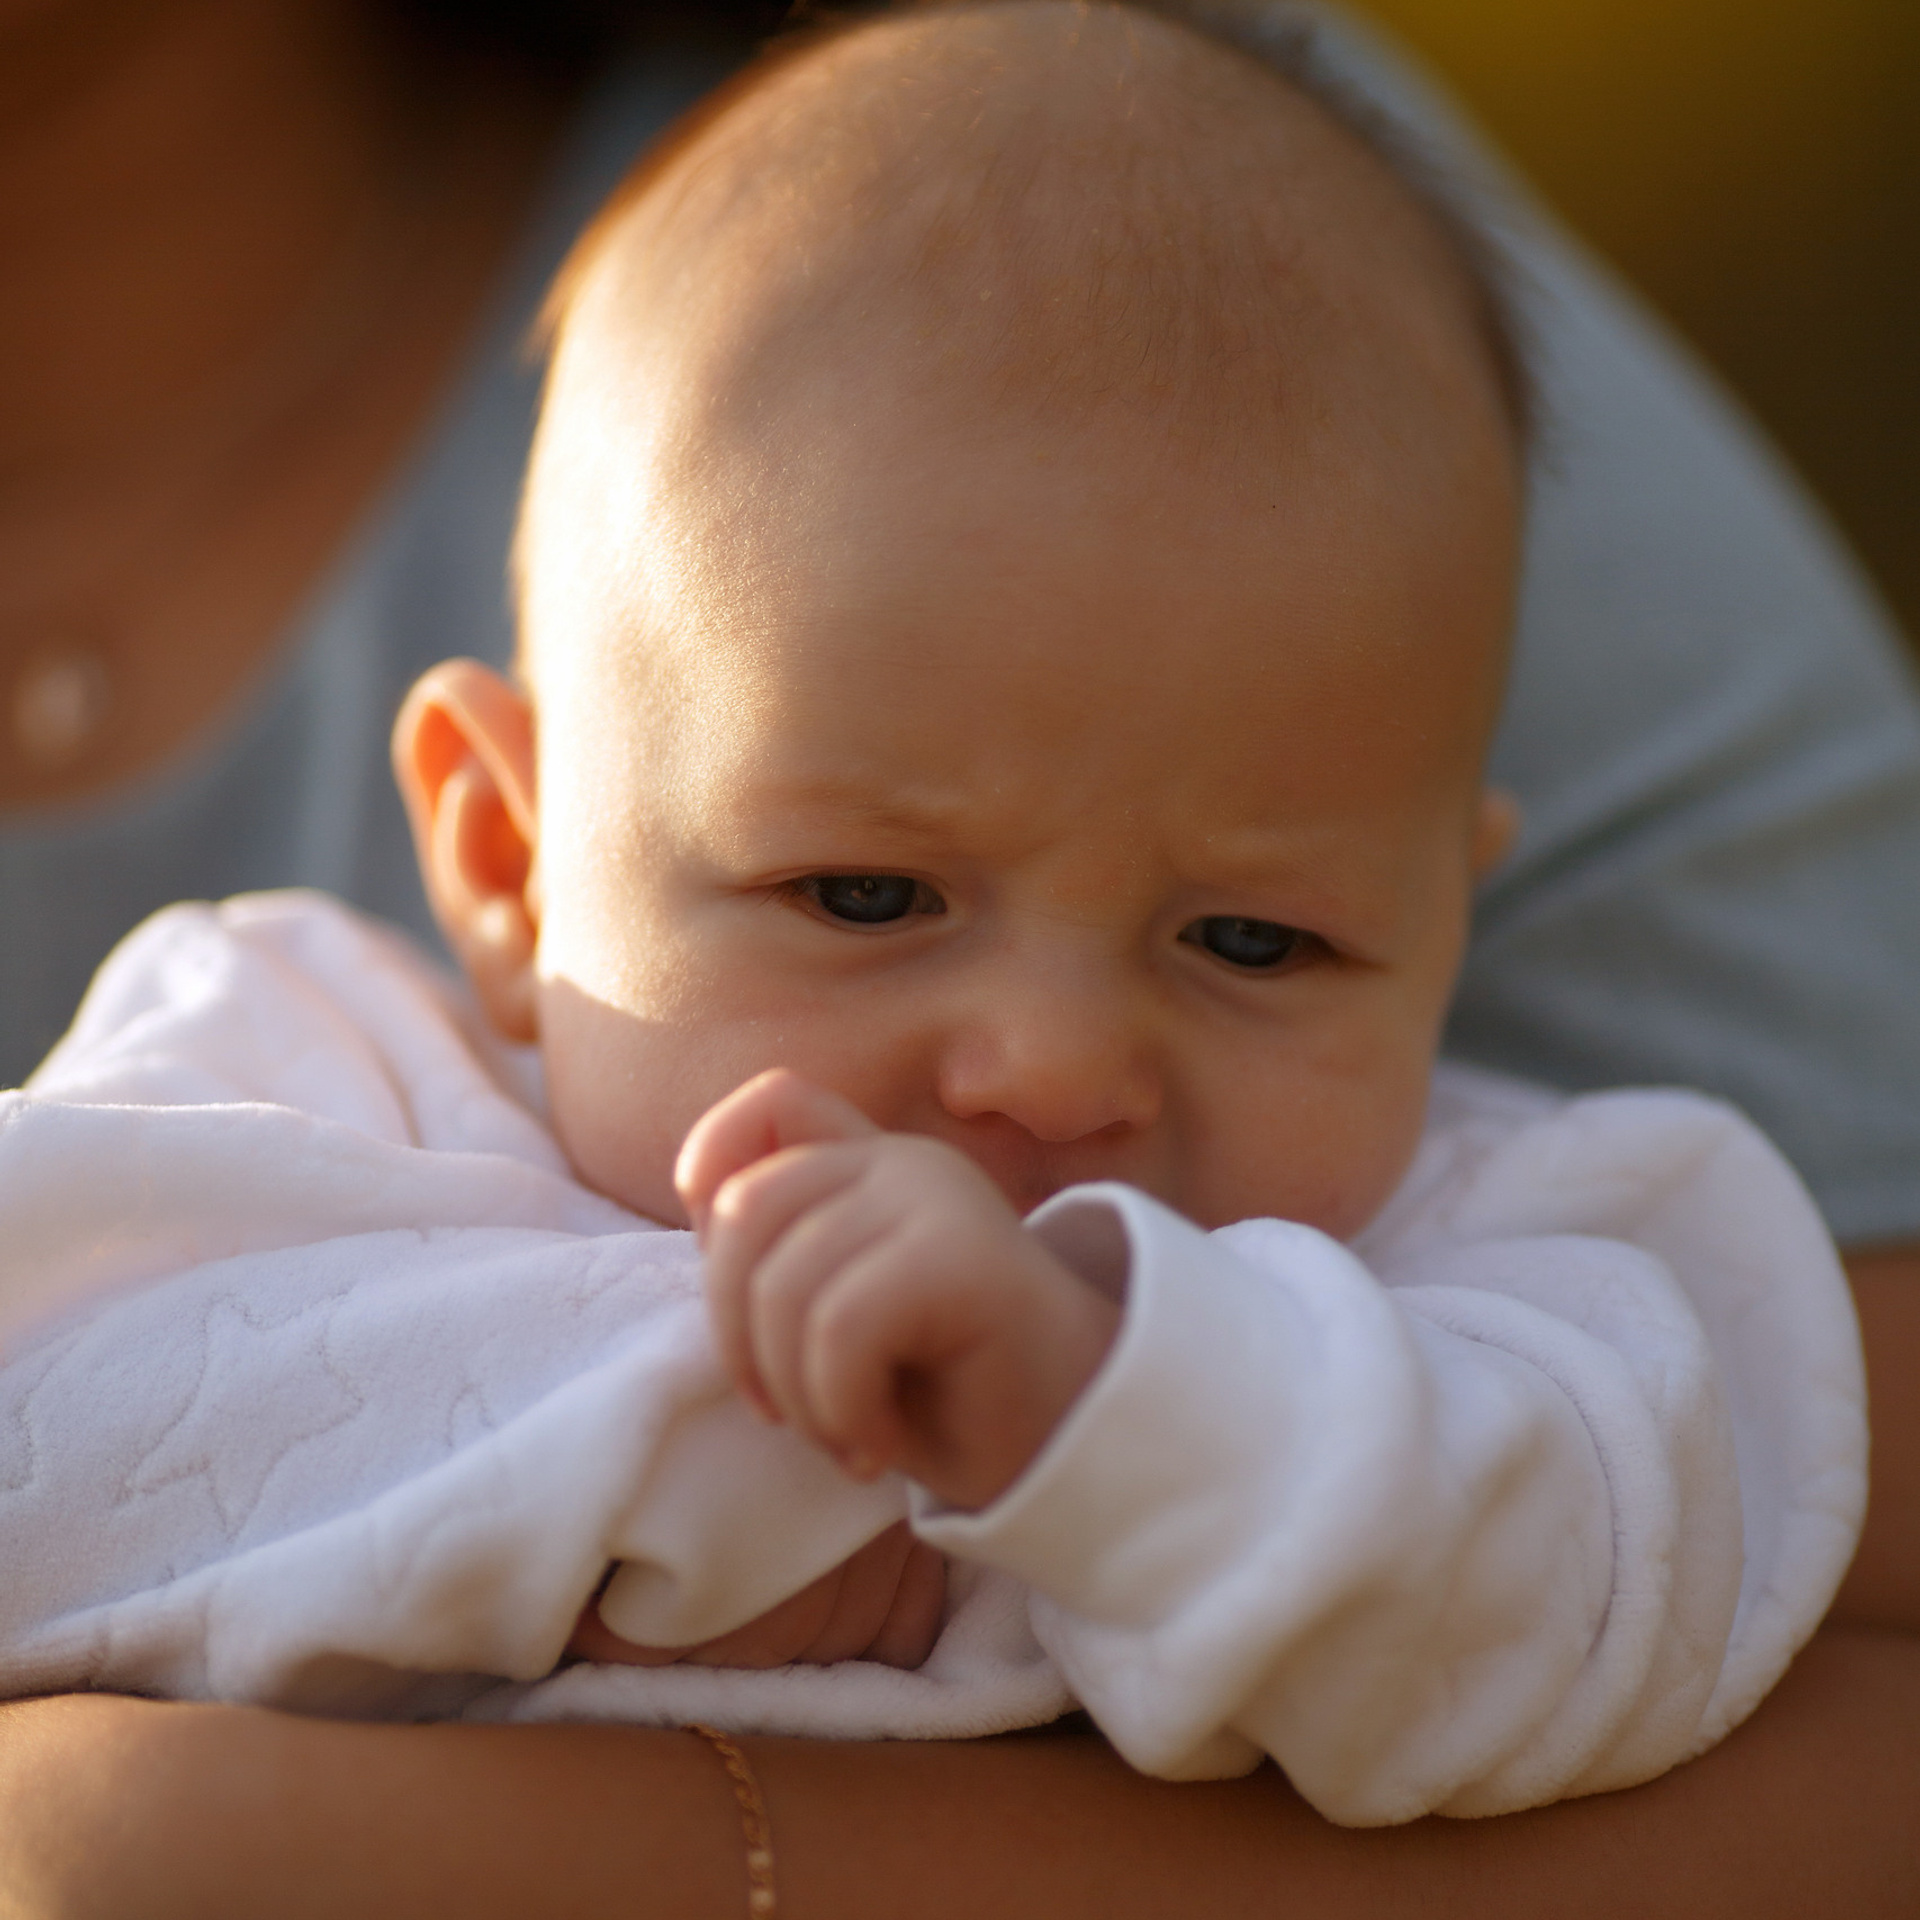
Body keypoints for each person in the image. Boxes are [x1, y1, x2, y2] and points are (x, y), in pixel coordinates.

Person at [1, 0, 1916, 1913]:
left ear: (1441, 924)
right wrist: (714, 1453)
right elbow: (54, 1448)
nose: (1057, 1067)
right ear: (507, 859)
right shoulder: (298, 1063)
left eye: (1259, 939)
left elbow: (1600, 1610)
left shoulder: (1492, 1271)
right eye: (865, 898)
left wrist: (1101, 1414)